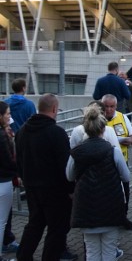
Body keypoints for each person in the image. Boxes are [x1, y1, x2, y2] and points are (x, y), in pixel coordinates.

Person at [15, 94, 77, 261]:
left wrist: (25, 181)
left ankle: (23, 257)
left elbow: (19, 160)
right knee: (57, 230)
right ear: (54, 109)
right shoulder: (56, 133)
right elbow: (64, 166)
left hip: (32, 189)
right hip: (55, 192)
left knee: (34, 225)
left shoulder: (22, 131)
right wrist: (70, 190)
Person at [65, 106, 129, 261]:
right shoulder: (112, 150)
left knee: (92, 251)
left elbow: (69, 176)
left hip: (86, 205)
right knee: (109, 250)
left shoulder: (77, 152)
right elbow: (126, 176)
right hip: (110, 204)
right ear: (103, 129)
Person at [0, 102, 17, 261]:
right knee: (2, 220)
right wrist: (18, 173)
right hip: (4, 182)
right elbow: (7, 160)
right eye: (7, 113)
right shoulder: (2, 135)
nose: (9, 116)